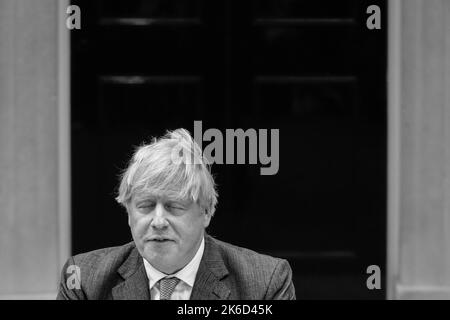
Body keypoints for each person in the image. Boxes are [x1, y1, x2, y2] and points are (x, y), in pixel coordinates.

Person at [56, 129, 296, 300]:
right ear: (128, 213)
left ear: (206, 212)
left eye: (174, 207)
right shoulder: (83, 278)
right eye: (145, 206)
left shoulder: (265, 283)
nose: (158, 222)